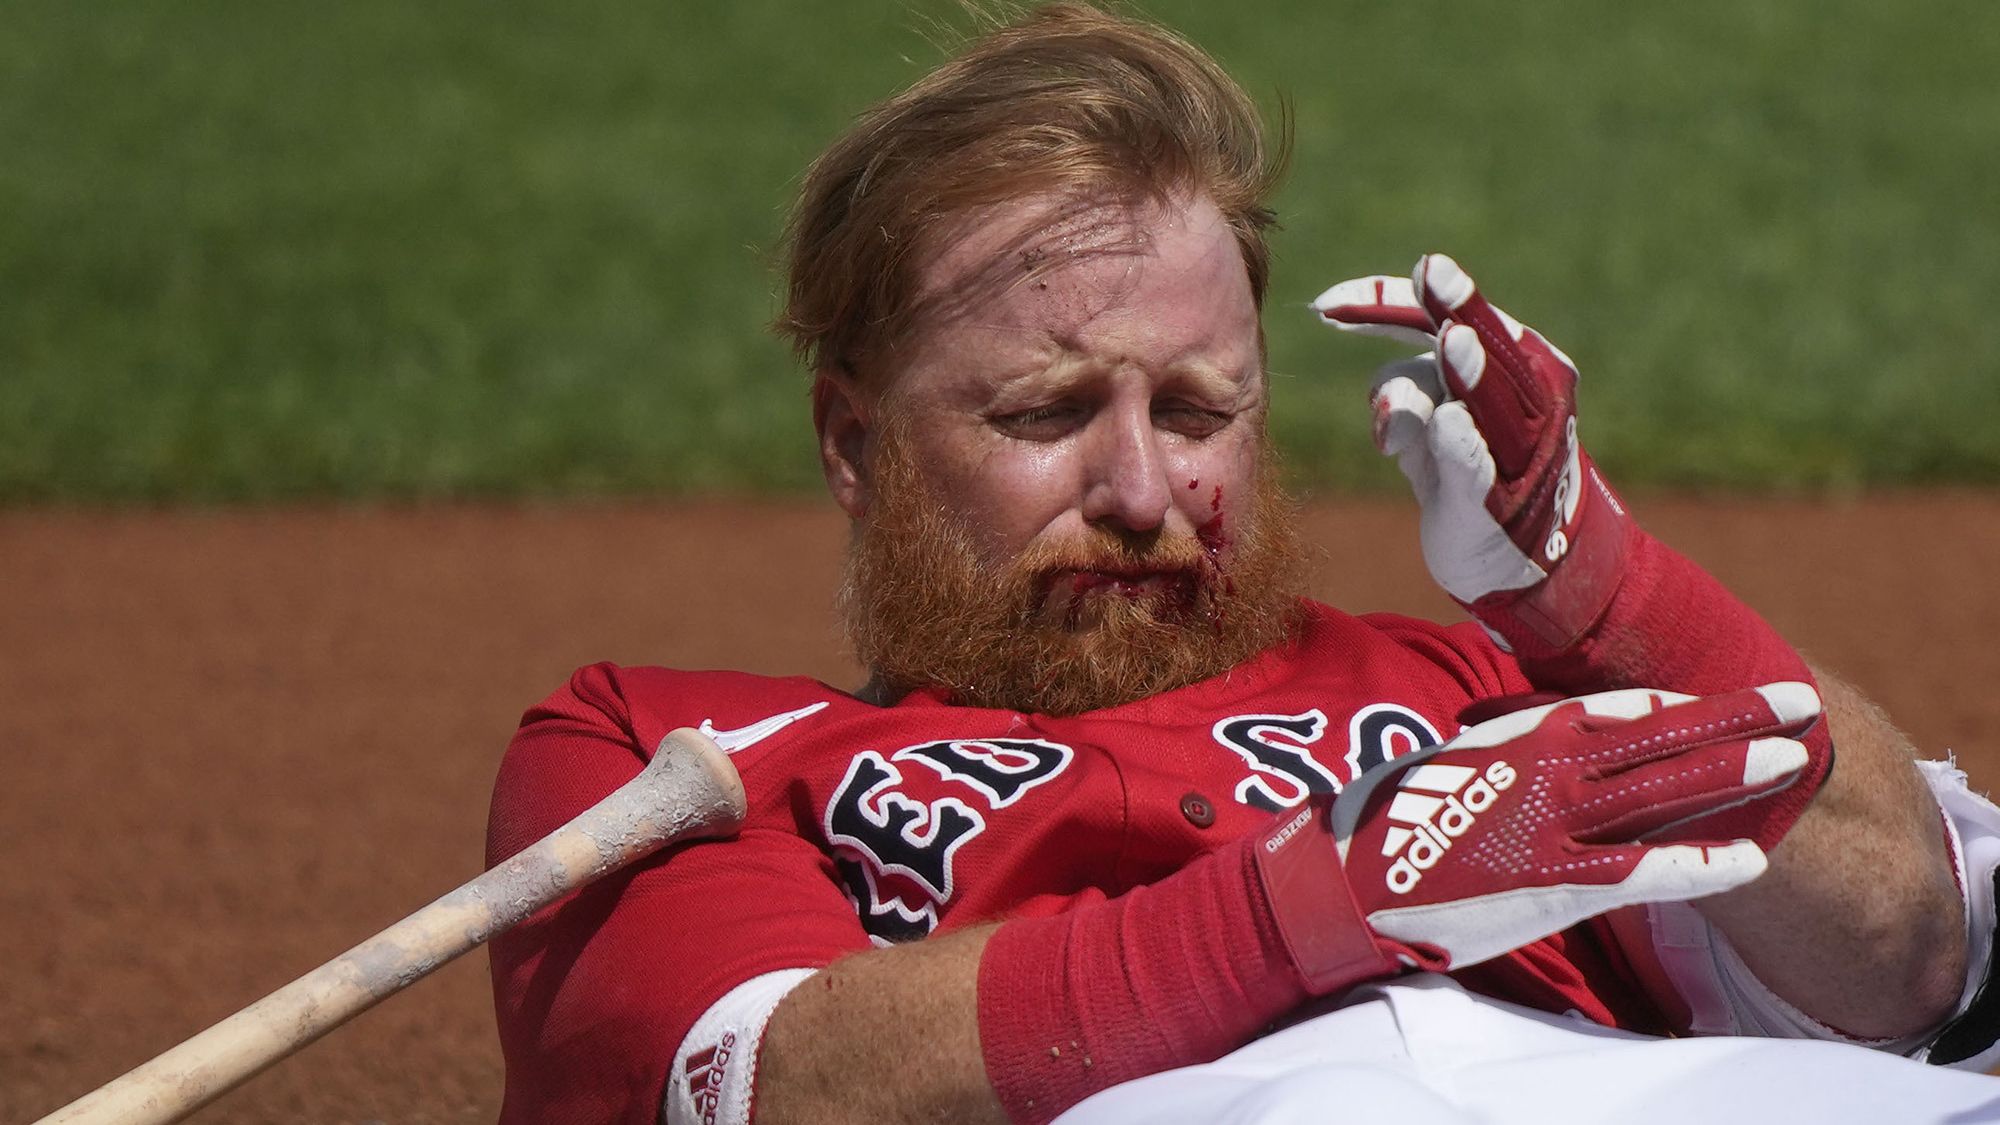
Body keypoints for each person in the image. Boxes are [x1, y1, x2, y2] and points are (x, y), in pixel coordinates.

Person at [483, 5, 2000, 1123]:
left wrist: (1600, 593)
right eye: (1047, 410)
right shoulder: (678, 749)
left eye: (1200, 408)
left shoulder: (1471, 692)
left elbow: (1914, 964)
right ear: (854, 440)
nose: (1146, 489)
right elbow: (766, 1088)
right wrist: (1326, 895)